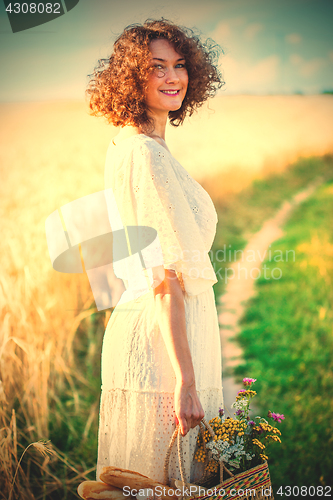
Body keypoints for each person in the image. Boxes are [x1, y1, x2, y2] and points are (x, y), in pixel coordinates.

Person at [86, 18, 224, 486]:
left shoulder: (133, 145)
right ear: (132, 77)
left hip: (158, 330)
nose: (173, 77)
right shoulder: (144, 152)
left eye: (180, 65)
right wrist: (185, 379)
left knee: (157, 486)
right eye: (157, 67)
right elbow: (163, 273)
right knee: (165, 484)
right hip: (163, 346)